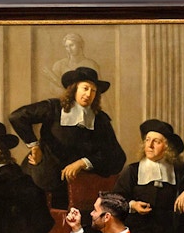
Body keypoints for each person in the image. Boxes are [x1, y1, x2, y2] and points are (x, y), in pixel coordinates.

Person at [9, 66, 126, 209]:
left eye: (93, 90)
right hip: (40, 178)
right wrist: (34, 146)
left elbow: (117, 156)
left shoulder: (100, 120)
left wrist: (83, 162)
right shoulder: (54, 108)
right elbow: (17, 117)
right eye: (85, 88)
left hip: (74, 185)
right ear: (74, 88)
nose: (89, 94)